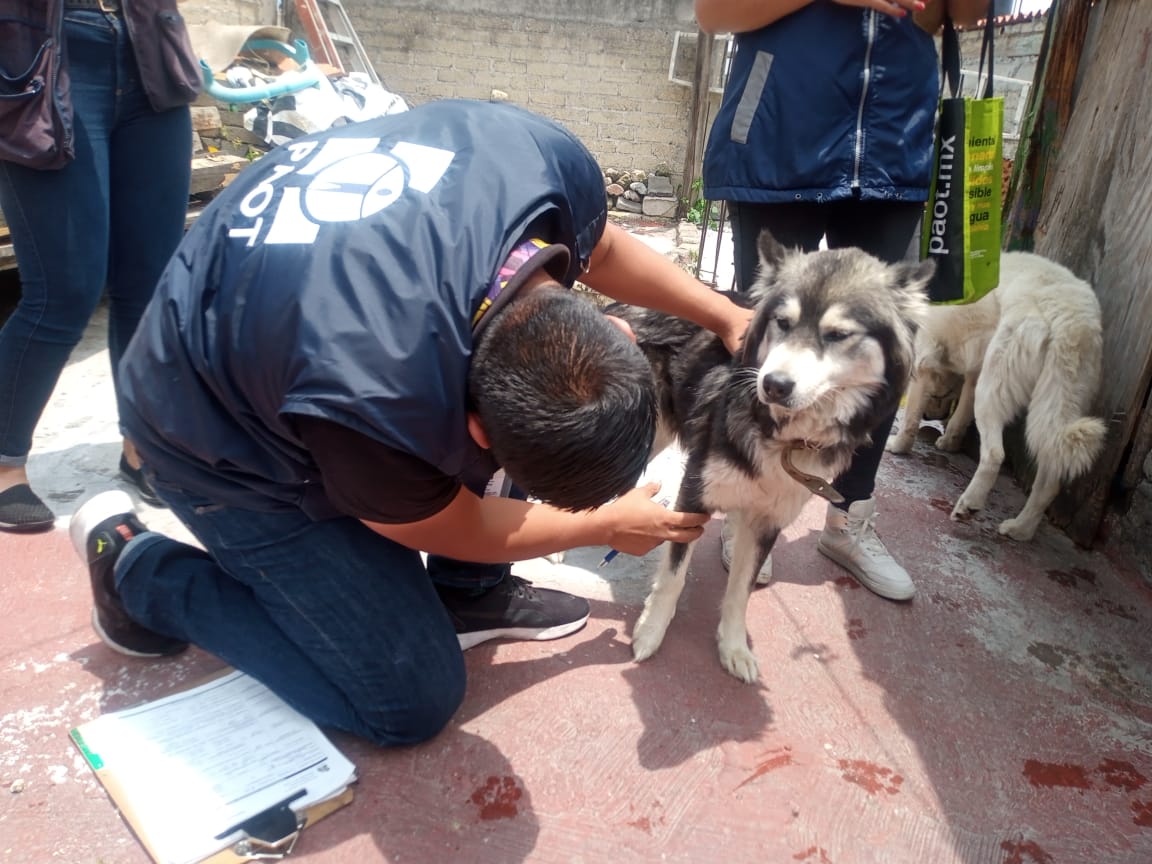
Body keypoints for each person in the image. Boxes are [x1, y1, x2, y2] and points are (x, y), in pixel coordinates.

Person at [69, 98, 753, 747]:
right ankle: (136, 565)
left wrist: (723, 315)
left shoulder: (541, 167)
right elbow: (452, 521)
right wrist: (600, 525)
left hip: (294, 317)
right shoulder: (372, 408)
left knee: (535, 415)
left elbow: (597, 249)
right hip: (208, 430)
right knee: (407, 700)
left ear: (618, 334)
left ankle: (467, 593)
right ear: (476, 438)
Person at [697, 0, 990, 601]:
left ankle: (849, 517)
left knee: (879, 355)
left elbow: (966, 15)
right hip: (781, 136)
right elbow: (712, 11)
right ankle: (749, 510)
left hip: (895, 145)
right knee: (767, 345)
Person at [0, 0, 201, 532]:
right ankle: (4, 465)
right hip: (43, 49)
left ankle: (142, 452)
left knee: (150, 286)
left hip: (147, 47)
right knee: (64, 293)